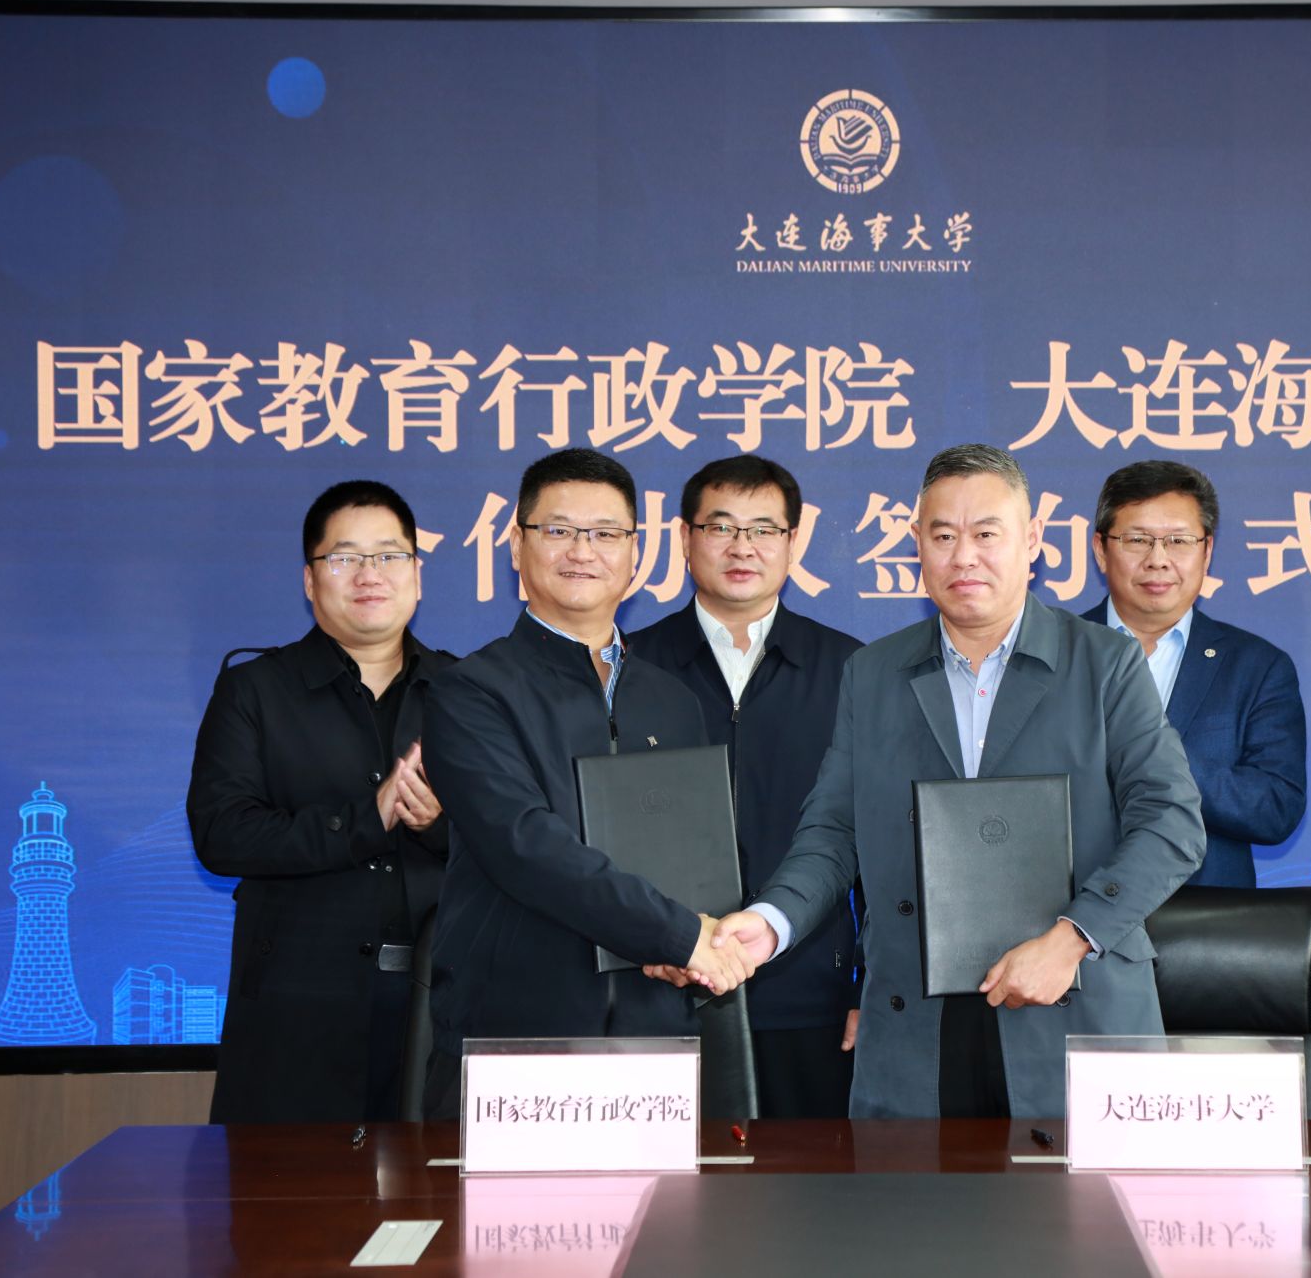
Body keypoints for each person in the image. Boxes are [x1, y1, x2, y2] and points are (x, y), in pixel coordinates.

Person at [678, 444, 1205, 1118]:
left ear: (1031, 540)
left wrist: (1072, 937)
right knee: (916, 1189)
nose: (964, 557)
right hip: (917, 1022)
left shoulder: (1105, 662)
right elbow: (833, 831)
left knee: (1083, 1190)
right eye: (943, 536)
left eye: (986, 533)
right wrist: (771, 920)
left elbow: (1172, 822)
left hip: (1074, 997)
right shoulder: (873, 672)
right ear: (917, 544)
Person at [418, 448, 752, 1119]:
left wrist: (687, 947)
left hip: (655, 1031)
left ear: (635, 554)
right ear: (517, 546)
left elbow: (698, 856)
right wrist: (679, 934)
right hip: (517, 1033)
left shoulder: (673, 700)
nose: (581, 551)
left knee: (662, 1195)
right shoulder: (469, 692)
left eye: (605, 533)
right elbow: (525, 846)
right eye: (558, 530)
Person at [188, 479, 452, 1123]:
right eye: (344, 557)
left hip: (440, 1007)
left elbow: (519, 837)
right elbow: (222, 834)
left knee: (435, 1185)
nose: (369, 574)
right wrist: (367, 818)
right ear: (310, 580)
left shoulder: (466, 693)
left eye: (389, 555)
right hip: (297, 1015)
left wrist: (438, 824)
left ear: (417, 575)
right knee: (288, 1187)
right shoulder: (254, 691)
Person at [628, 456, 865, 1118]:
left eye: (764, 529)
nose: (742, 547)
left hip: (810, 993)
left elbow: (880, 837)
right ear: (684, 538)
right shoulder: (628, 665)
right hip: (657, 988)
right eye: (721, 526)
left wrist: (869, 984)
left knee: (808, 1179)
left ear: (794, 542)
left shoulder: (853, 669)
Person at [1083, 460, 1305, 887]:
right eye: (1137, 540)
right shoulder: (1053, 653)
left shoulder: (1257, 667)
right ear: (1100, 550)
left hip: (1208, 918)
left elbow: (1276, 808)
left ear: (1207, 551)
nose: (1158, 560)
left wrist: (1155, 757)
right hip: (1074, 915)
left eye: (1179, 541)